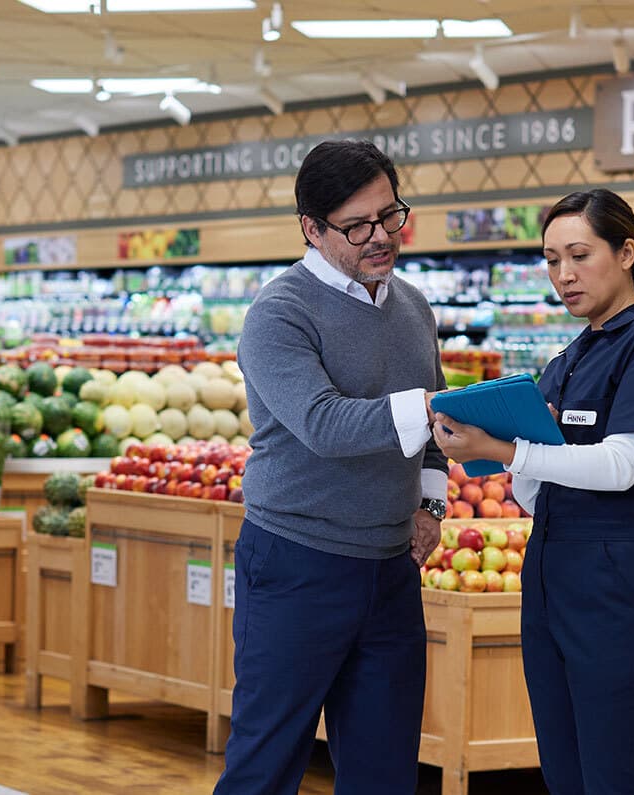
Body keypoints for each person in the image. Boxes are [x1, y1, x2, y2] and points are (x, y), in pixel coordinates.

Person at [430, 189, 634, 795]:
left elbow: (624, 465)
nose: (564, 275)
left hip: (628, 583)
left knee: (621, 777)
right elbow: (535, 493)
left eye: (580, 255)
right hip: (554, 575)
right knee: (566, 777)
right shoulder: (569, 357)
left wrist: (504, 450)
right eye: (552, 260)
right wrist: (513, 444)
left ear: (627, 251)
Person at [214, 140, 448, 795]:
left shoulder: (413, 307)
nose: (381, 237)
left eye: (391, 216)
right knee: (265, 764)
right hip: (297, 563)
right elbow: (323, 423)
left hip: (390, 571)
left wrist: (431, 505)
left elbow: (433, 438)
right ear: (312, 230)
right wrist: (430, 407)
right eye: (357, 226)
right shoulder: (278, 313)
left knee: (385, 770)